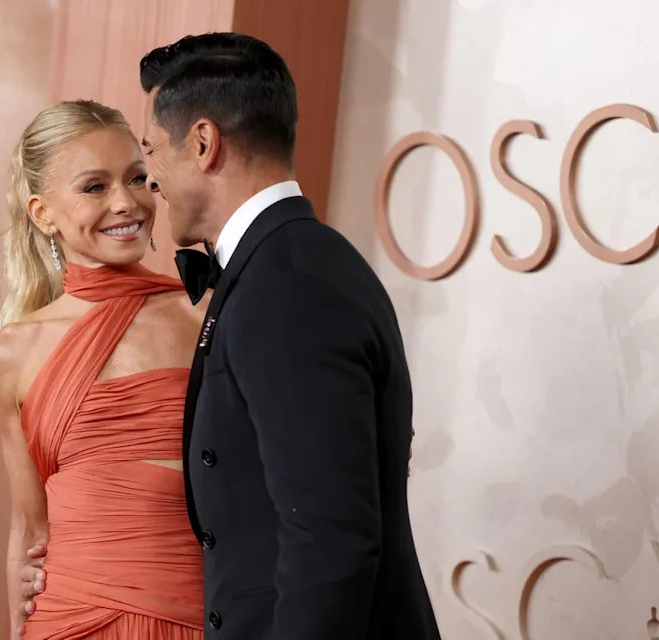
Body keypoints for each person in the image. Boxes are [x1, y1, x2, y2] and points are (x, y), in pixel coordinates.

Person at [137, 33, 442, 638]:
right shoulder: (290, 264)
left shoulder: (290, 286)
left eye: (152, 152)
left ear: (202, 144)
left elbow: (330, 540)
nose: (151, 180)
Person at [0, 99, 207, 639]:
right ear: (43, 214)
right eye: (94, 187)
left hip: (193, 615)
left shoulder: (205, 312)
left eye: (136, 178)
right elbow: (29, 526)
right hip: (69, 621)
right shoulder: (11, 353)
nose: (126, 203)